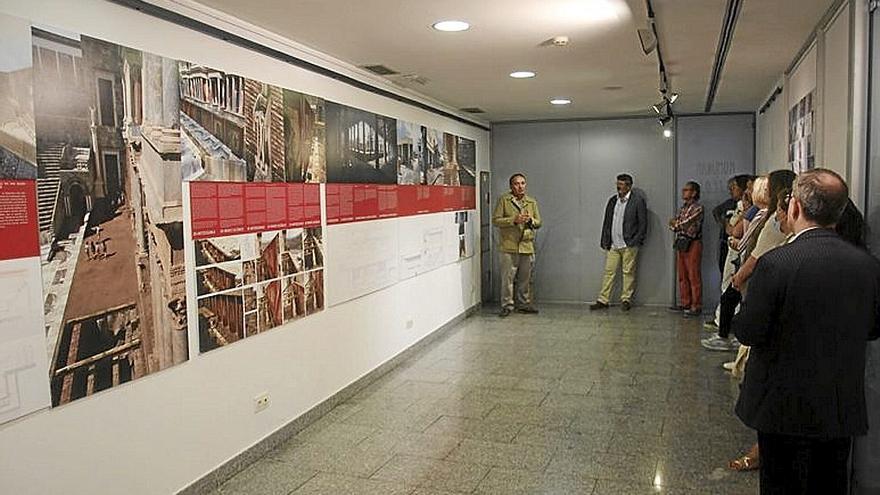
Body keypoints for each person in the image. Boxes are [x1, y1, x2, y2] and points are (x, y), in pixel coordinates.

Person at [733, 169, 880, 494]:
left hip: (783, 405)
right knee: (829, 481)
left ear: (795, 207)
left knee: (782, 484)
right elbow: (872, 328)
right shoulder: (867, 266)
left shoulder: (777, 264)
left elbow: (749, 330)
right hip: (839, 404)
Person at [589, 173, 647, 312]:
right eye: (617, 184)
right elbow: (607, 222)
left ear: (629, 186)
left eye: (621, 185)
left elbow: (643, 224)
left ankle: (626, 299)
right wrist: (605, 240)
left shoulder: (637, 201)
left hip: (629, 244)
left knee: (628, 272)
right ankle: (603, 300)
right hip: (613, 244)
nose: (618, 188)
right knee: (609, 272)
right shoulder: (612, 201)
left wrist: (636, 241)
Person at [493, 173, 542, 317]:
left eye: (523, 183)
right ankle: (507, 305)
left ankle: (524, 303)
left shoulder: (531, 202)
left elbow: (539, 222)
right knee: (507, 278)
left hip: (526, 245)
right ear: (511, 186)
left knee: (525, 278)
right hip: (509, 245)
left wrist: (531, 220)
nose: (520, 186)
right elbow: (496, 220)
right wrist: (513, 220)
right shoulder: (504, 200)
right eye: (516, 184)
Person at [668, 181, 704, 317]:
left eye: (687, 190)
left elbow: (683, 224)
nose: (684, 192)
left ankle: (696, 305)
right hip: (682, 242)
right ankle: (685, 303)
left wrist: (676, 224)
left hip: (693, 243)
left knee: (693, 275)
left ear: (694, 192)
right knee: (682, 275)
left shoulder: (698, 208)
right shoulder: (683, 208)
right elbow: (673, 224)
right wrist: (676, 224)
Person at [712, 175, 750, 274]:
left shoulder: (748, 207)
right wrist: (724, 223)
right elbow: (716, 211)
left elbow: (735, 231)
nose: (731, 191)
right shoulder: (730, 203)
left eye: (734, 187)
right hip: (726, 241)